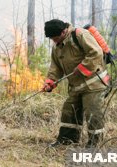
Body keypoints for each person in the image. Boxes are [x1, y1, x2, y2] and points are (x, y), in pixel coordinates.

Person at [43, 19, 110, 148]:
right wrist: (50, 81)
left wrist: (81, 69)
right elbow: (55, 67)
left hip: (94, 84)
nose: (54, 41)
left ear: (63, 32)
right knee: (69, 110)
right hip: (76, 86)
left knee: (93, 112)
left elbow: (96, 53)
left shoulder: (80, 35)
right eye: (52, 39)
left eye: (55, 38)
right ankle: (67, 140)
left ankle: (95, 145)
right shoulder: (57, 46)